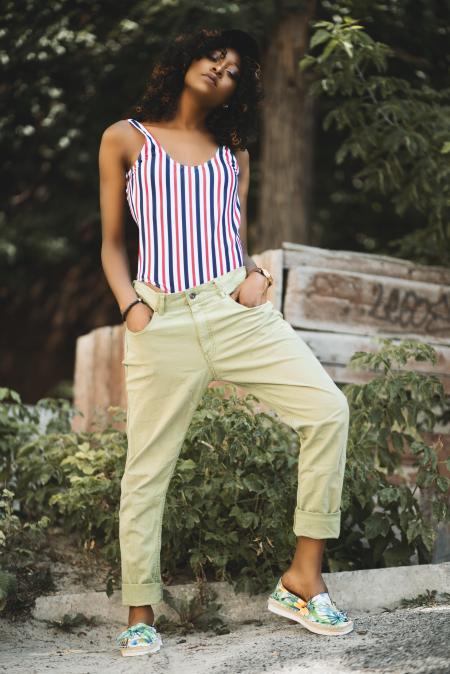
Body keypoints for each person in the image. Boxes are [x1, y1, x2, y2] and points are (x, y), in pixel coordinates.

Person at [98, 26, 353, 657]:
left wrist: (257, 274)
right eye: (215, 57)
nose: (222, 70)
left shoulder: (231, 152)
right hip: (161, 321)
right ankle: (139, 613)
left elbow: (230, 235)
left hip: (235, 310)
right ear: (184, 60)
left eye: (235, 68)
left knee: (328, 410)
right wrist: (131, 306)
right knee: (147, 469)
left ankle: (301, 577)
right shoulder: (125, 138)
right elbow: (109, 242)